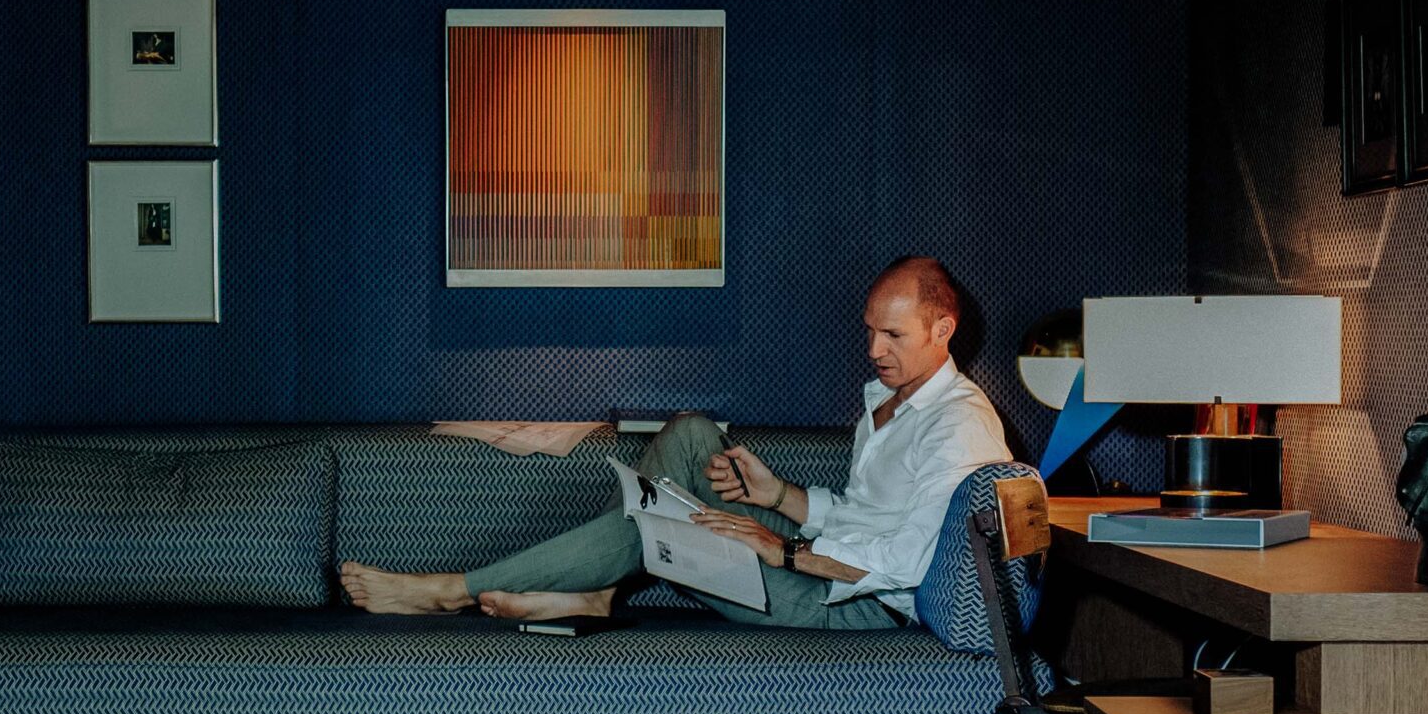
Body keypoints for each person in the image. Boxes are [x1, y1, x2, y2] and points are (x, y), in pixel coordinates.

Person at [339, 256, 1009, 629]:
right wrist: (781, 495)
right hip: (827, 558)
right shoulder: (885, 402)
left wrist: (787, 548)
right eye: (869, 330)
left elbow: (913, 562)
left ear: (943, 328)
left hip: (854, 604)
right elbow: (866, 510)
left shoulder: (959, 423)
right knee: (689, 430)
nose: (871, 350)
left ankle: (451, 589)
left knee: (647, 526)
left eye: (892, 335)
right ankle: (597, 592)